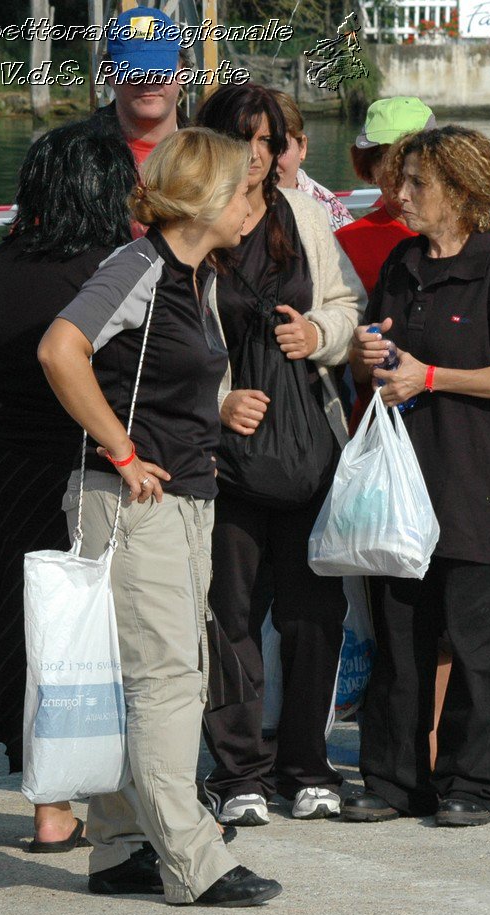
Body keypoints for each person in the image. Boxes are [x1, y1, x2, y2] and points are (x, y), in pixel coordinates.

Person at [38, 127, 282, 905]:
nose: (255, 204)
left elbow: (157, 379)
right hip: (135, 503)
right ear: (209, 197)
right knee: (167, 680)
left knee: (134, 676)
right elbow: (59, 349)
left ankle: (119, 847)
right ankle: (192, 858)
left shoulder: (192, 274)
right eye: (245, 190)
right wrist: (118, 450)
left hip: (180, 500)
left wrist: (210, 409)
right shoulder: (140, 265)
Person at [340, 125, 490, 828]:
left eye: (416, 183)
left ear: (460, 191)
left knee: (475, 642)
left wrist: (431, 376)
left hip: (477, 484)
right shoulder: (401, 261)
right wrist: (369, 354)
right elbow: (375, 353)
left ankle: (475, 784)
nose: (399, 195)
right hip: (402, 485)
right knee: (400, 640)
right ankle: (396, 782)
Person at [0, 121, 136, 851]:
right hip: (89, 477)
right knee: (99, 645)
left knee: (31, 644)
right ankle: (120, 804)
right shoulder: (113, 272)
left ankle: (52, 814)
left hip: (3, 480)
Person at [191, 84, 364, 827]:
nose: (256, 157)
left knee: (313, 616)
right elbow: (161, 340)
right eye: (242, 140)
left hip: (307, 445)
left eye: (268, 142)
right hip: (224, 456)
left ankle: (306, 763)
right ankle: (237, 771)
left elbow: (349, 305)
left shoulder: (307, 219)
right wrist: (219, 400)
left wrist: (318, 334)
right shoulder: (190, 226)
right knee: (229, 617)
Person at [334, 97, 442, 298]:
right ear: (369, 168)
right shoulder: (344, 245)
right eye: (383, 156)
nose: (396, 168)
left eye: (408, 154)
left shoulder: (474, 236)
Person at [93, 6, 186, 168]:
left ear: (182, 72)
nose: (147, 81)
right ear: (110, 73)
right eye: (135, 73)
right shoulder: (64, 161)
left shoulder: (215, 161)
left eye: (159, 71)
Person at [272, 89, 353, 231]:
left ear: (302, 147)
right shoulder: (229, 209)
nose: (268, 160)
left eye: (279, 147)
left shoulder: (330, 212)